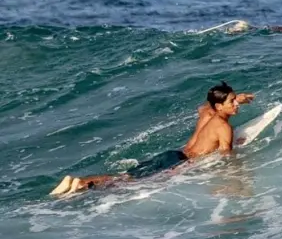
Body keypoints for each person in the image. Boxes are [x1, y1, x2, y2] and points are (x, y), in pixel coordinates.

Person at [49, 82, 254, 196]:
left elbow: (207, 105)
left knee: (126, 176)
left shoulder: (207, 113)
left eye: (236, 99)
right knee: (127, 183)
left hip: (171, 154)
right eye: (232, 101)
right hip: (180, 163)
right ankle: (82, 185)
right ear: (220, 106)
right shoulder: (224, 127)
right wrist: (237, 180)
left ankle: (77, 182)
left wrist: (236, 98)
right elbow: (226, 157)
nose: (236, 103)